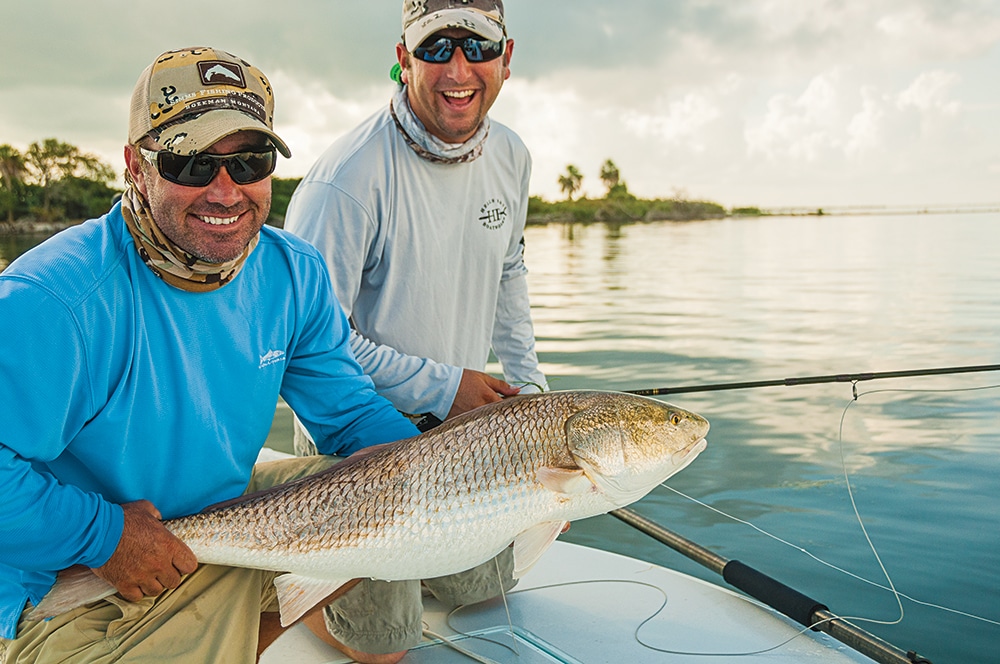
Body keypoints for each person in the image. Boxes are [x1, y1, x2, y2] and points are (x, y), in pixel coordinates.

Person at [0, 46, 420, 664]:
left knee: (385, 502)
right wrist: (105, 536)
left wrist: (466, 474)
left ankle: (242, 637)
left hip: (216, 517)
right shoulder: (53, 301)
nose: (225, 192)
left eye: (249, 162)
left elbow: (353, 417)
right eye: (191, 163)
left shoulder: (294, 274)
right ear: (134, 166)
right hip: (65, 583)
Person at [283, 2, 547, 661]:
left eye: (476, 47)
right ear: (404, 60)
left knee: (482, 592)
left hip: (461, 435)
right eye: (436, 48)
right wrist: (445, 384)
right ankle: (278, 578)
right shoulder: (346, 180)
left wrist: (532, 389)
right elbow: (312, 347)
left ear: (506, 59)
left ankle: (402, 564)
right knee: (383, 648)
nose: (458, 69)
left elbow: (509, 269)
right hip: (357, 443)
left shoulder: (511, 155)